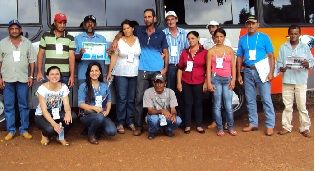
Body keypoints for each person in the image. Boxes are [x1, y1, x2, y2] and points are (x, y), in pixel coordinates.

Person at [111, 9, 169, 136]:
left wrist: (165, 68)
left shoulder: (161, 33)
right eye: (145, 17)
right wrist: (115, 40)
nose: (147, 19)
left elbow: (165, 51)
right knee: (138, 98)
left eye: (149, 17)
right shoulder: (139, 31)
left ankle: (162, 124)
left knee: (159, 96)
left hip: (157, 70)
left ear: (154, 18)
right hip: (142, 70)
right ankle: (138, 125)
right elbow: (124, 31)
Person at [236, 15, 275, 136]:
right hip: (247, 71)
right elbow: (239, 57)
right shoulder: (243, 39)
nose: (251, 26)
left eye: (253, 23)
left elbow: (271, 56)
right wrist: (238, 74)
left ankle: (269, 125)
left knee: (266, 98)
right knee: (250, 99)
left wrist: (271, 72)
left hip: (262, 71)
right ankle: (253, 123)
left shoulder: (264, 37)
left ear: (257, 24)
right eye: (249, 23)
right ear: (246, 25)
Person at [0, 20, 36, 141]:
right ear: (9, 30)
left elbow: (32, 61)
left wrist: (31, 76)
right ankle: (11, 130)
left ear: (20, 30)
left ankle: (24, 129)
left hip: (23, 79)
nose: (14, 30)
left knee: (24, 105)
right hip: (7, 79)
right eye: (12, 28)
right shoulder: (2, 43)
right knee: (9, 106)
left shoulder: (27, 43)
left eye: (17, 28)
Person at [276, 25, 314, 138]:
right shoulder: (283, 47)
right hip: (287, 80)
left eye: (296, 33)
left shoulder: (304, 47)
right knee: (287, 106)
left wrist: (309, 64)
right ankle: (286, 127)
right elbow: (279, 62)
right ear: (289, 34)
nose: (293, 35)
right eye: (291, 33)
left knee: (302, 105)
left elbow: (312, 61)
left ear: (299, 34)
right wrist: (281, 67)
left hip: (301, 80)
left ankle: (305, 128)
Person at [107, 19, 140, 134]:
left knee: (131, 99)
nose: (126, 30)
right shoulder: (119, 41)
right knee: (121, 98)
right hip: (120, 73)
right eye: (124, 29)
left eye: (128, 28)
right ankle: (120, 122)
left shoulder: (138, 40)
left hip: (135, 73)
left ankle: (130, 121)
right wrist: (110, 72)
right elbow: (114, 57)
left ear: (132, 28)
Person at [206, 28, 237, 136]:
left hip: (227, 79)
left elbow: (233, 65)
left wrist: (233, 79)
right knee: (217, 105)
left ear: (224, 37)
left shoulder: (229, 50)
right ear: (214, 38)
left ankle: (230, 126)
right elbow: (208, 68)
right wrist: (209, 82)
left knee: (228, 105)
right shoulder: (211, 51)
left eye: (221, 36)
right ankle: (219, 128)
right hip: (216, 79)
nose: (219, 39)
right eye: (217, 37)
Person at [78, 62, 116, 144]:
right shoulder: (83, 86)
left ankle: (95, 127)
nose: (94, 73)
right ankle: (91, 134)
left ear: (100, 72)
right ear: (88, 73)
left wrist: (108, 111)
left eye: (96, 70)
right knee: (99, 117)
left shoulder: (104, 86)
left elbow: (109, 100)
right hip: (87, 115)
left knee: (112, 131)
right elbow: (80, 104)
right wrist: (94, 108)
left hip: (102, 114)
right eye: (91, 71)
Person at [177, 31, 207, 134]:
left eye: (193, 38)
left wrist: (206, 83)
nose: (190, 40)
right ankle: (187, 125)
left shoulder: (204, 52)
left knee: (198, 104)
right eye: (189, 39)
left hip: (199, 81)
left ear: (198, 38)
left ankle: (199, 125)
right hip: (186, 81)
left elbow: (208, 69)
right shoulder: (185, 52)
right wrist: (179, 83)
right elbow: (180, 68)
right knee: (187, 103)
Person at [204, 20, 232, 129]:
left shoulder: (227, 42)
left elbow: (230, 60)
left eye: (214, 27)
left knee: (226, 101)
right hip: (214, 75)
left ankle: (225, 122)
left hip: (226, 75)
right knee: (215, 100)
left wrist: (232, 77)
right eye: (210, 27)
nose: (212, 29)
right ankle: (215, 121)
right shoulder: (206, 43)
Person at [34, 66, 72, 146]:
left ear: (60, 76)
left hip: (56, 113)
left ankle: (60, 137)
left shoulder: (63, 87)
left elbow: (66, 104)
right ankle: (44, 134)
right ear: (47, 76)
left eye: (57, 74)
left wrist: (68, 113)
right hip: (42, 115)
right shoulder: (42, 88)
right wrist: (54, 124)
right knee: (50, 129)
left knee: (72, 117)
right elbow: (44, 110)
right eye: (52, 74)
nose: (55, 76)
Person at [36, 13, 75, 88]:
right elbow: (40, 54)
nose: (62, 25)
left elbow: (71, 57)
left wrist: (72, 75)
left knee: (64, 98)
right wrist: (39, 72)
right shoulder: (45, 35)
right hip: (50, 74)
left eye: (64, 23)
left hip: (64, 75)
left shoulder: (70, 37)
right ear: (54, 22)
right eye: (60, 22)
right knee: (49, 98)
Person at [143, 73, 182, 139]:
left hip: (167, 117)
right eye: (156, 82)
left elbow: (173, 109)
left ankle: (167, 130)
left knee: (178, 120)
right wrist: (162, 111)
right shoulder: (148, 92)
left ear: (165, 83)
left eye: (161, 82)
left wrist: (174, 115)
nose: (158, 85)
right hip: (154, 116)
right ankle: (152, 131)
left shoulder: (171, 92)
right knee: (154, 120)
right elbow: (150, 111)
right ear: (153, 83)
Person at [75, 15, 108, 85]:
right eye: (87, 22)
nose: (90, 24)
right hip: (83, 75)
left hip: (98, 75)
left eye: (92, 22)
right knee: (83, 95)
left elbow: (106, 57)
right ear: (84, 25)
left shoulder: (102, 39)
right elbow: (74, 57)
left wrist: (110, 52)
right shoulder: (77, 38)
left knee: (99, 96)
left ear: (95, 25)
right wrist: (80, 54)